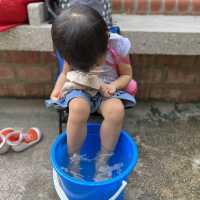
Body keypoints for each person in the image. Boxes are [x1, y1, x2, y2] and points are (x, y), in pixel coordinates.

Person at [46, 5, 136, 179]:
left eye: (93, 63)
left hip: (106, 90)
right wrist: (56, 90)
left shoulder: (116, 46)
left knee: (117, 111)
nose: (90, 68)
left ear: (105, 44)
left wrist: (115, 86)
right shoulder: (73, 48)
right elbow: (66, 74)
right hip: (80, 88)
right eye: (82, 65)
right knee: (78, 109)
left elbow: (127, 75)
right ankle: (74, 158)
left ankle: (103, 159)